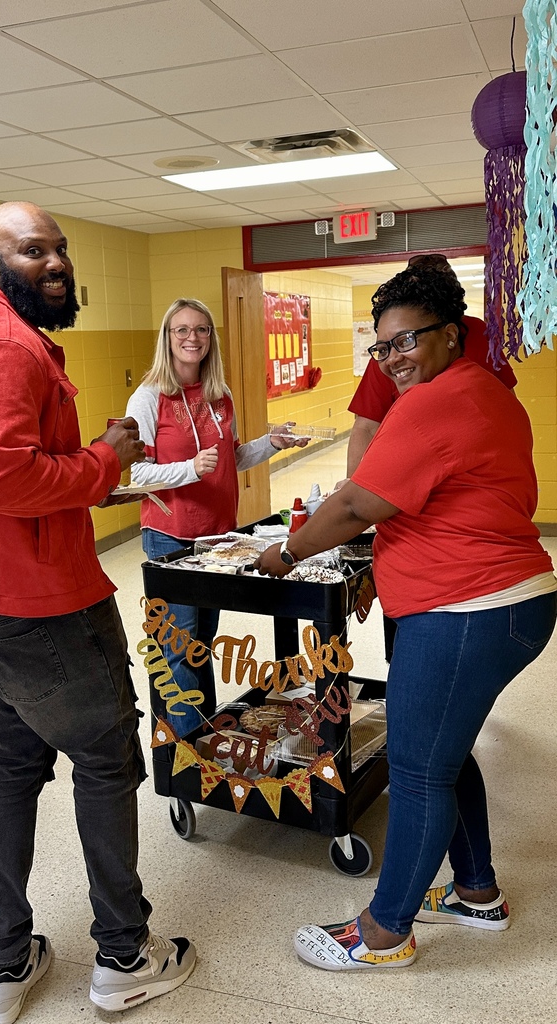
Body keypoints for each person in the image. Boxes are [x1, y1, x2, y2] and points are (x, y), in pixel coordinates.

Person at [0, 202, 196, 1023]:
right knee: (104, 760)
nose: (54, 263)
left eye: (59, 249)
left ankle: (4, 964)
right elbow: (5, 480)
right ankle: (125, 956)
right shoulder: (4, 345)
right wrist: (104, 460)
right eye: (33, 251)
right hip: (29, 601)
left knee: (13, 760)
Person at [255, 265, 557, 971]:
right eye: (381, 347)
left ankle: (384, 932)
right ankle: (476, 891)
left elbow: (359, 501)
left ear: (452, 335)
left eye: (406, 341)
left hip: (467, 610)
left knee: (417, 769)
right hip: (499, 602)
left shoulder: (436, 401)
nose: (392, 359)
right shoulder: (483, 390)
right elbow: (413, 505)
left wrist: (289, 551)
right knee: (443, 758)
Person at [126, 297, 307, 735]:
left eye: (202, 330)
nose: (193, 338)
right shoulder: (148, 397)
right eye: (182, 330)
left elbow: (232, 457)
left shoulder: (219, 395)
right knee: (179, 649)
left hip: (218, 539)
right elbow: (135, 473)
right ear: (167, 339)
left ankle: (204, 732)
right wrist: (190, 468)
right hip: (171, 537)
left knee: (200, 646)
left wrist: (271, 443)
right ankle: (189, 751)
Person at [346, 253, 517, 478]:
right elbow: (366, 426)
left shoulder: (477, 333)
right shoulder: (390, 352)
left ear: (450, 336)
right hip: (415, 475)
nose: (395, 357)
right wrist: (352, 484)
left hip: (476, 473)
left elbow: (508, 407)